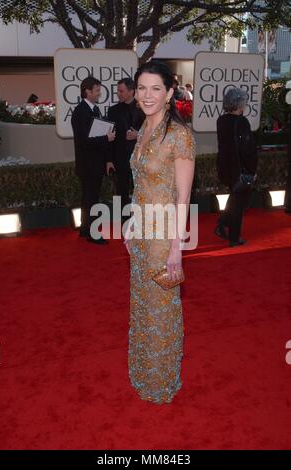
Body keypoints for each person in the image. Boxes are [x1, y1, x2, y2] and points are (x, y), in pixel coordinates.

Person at [124, 60, 195, 404]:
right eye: (142, 88)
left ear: (169, 93)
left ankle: (161, 380)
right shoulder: (143, 129)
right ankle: (143, 370)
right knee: (143, 307)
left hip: (163, 237)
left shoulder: (178, 136)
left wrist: (176, 249)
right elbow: (140, 184)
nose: (147, 95)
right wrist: (130, 222)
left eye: (156, 88)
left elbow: (183, 197)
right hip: (140, 235)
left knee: (162, 309)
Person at [71, 77, 115, 244]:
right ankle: (93, 234)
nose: (100, 93)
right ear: (87, 91)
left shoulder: (94, 110)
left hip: (93, 163)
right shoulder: (81, 112)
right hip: (88, 165)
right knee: (91, 200)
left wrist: (106, 156)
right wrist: (106, 138)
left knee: (88, 198)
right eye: (97, 90)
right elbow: (83, 141)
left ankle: (85, 229)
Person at [214, 87, 258, 247]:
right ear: (240, 104)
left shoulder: (221, 120)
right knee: (239, 203)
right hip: (240, 169)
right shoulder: (242, 122)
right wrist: (252, 170)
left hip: (225, 166)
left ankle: (222, 224)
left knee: (235, 197)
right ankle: (234, 237)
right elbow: (247, 149)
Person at [107, 78, 145, 214]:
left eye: (121, 91)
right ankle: (124, 218)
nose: (119, 93)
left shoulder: (144, 109)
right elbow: (109, 138)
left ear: (131, 91)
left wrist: (138, 135)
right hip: (120, 157)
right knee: (121, 190)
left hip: (141, 158)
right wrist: (109, 159)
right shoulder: (113, 111)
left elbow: (154, 133)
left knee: (140, 189)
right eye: (118, 91)